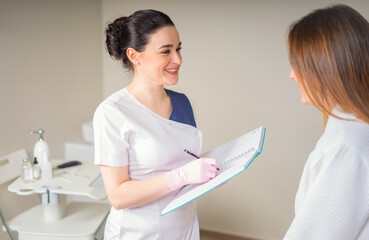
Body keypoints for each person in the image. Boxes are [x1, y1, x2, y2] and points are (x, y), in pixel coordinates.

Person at [93, 9, 219, 240]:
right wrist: (180, 176)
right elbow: (118, 196)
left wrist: (209, 175)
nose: (178, 60)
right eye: (166, 51)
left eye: (178, 49)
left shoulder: (182, 103)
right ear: (134, 55)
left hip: (184, 226)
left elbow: (182, 158)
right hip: (139, 232)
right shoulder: (113, 112)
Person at [284, 4, 369, 239]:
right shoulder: (354, 127)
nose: (292, 74)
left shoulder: (346, 145)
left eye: (298, 65)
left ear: (327, 67)